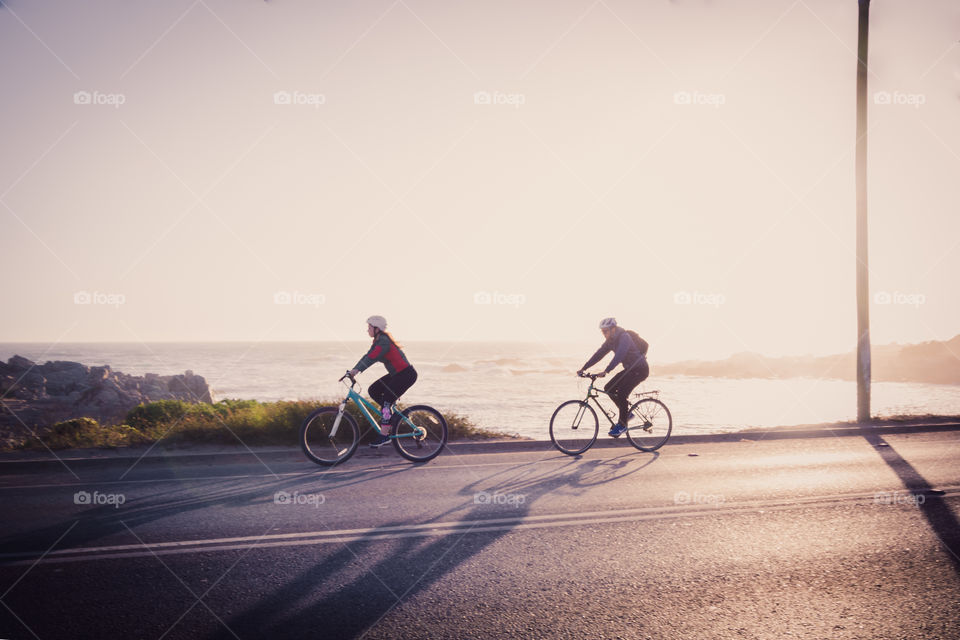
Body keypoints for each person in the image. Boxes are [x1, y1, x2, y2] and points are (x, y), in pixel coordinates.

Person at [348, 315, 418, 447]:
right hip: (396, 374)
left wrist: (356, 371)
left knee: (386, 402)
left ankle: (384, 436)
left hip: (406, 375)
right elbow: (367, 356)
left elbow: (371, 358)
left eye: (369, 327)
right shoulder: (378, 341)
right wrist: (354, 369)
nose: (367, 330)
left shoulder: (383, 342)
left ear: (376, 328)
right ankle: (390, 416)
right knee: (373, 390)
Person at [577, 317, 649, 437]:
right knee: (609, 388)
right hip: (630, 370)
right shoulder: (610, 341)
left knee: (622, 393)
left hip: (640, 369)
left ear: (613, 329)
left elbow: (620, 355)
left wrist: (607, 370)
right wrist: (584, 368)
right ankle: (626, 415)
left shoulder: (624, 337)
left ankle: (622, 425)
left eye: (605, 331)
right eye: (602, 332)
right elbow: (598, 354)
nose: (604, 334)